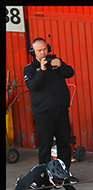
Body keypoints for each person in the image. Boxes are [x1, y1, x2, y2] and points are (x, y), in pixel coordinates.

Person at [24, 37, 75, 165]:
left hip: (61, 112)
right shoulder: (30, 69)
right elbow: (33, 86)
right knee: (45, 148)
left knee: (64, 145)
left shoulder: (55, 62)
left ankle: (64, 175)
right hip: (43, 114)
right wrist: (42, 70)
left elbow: (70, 73)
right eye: (39, 50)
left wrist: (61, 65)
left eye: (45, 49)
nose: (43, 53)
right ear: (33, 52)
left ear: (49, 49)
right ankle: (44, 178)